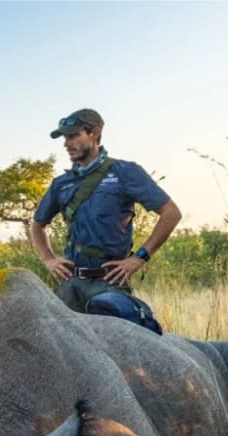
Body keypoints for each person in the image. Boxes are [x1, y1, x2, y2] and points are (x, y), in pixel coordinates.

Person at [29, 108, 182, 314]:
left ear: (94, 133)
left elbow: (171, 213)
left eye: (74, 136)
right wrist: (48, 258)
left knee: (116, 344)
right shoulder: (61, 183)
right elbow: (37, 225)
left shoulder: (124, 172)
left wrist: (138, 258)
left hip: (109, 283)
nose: (66, 144)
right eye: (65, 138)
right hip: (71, 284)